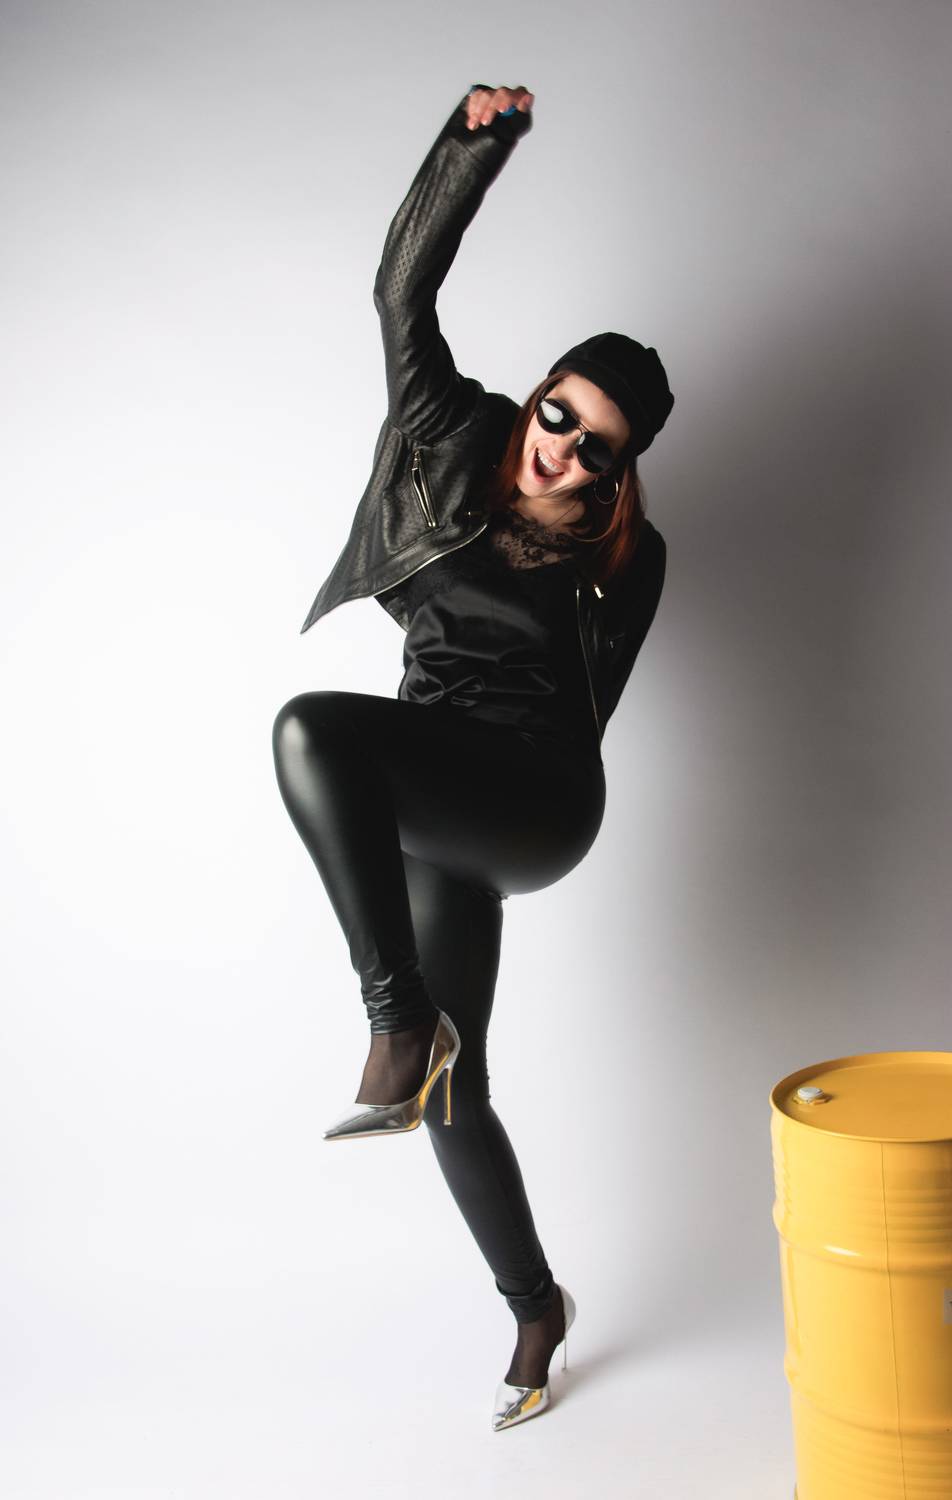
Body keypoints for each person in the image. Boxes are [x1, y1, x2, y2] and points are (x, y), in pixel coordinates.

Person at [271, 82, 674, 1431]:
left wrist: (601, 538)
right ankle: (535, 1309)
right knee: (458, 1097)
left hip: (538, 795)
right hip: (437, 785)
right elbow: (402, 290)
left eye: (599, 451)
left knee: (313, 730)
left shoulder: (625, 558)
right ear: (539, 393)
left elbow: (589, 705)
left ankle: (395, 1020)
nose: (566, 454)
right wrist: (473, 145)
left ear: (620, 470)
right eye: (562, 416)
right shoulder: (450, 434)